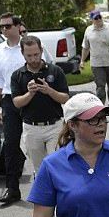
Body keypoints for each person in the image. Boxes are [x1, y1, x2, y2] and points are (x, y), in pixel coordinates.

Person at [11, 36, 70, 177]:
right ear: (22, 54)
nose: (33, 59)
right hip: (31, 128)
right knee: (40, 169)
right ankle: (44, 197)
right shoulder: (17, 75)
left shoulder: (55, 71)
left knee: (57, 166)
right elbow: (16, 102)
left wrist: (49, 91)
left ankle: (60, 197)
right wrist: (30, 93)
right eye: (29, 56)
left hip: (54, 126)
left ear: (41, 51)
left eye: (36, 54)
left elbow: (65, 98)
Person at [0, 13, 28, 206]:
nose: (4, 30)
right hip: (9, 100)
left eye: (7, 26)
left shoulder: (29, 46)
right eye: (1, 27)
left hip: (31, 99)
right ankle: (12, 188)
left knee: (34, 143)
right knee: (11, 145)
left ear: (17, 26)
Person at [82, 9, 109, 108]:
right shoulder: (88, 30)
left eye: (99, 17)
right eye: (95, 18)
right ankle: (100, 107)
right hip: (97, 63)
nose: (98, 19)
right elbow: (85, 47)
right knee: (100, 86)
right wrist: (82, 61)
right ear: (92, 20)